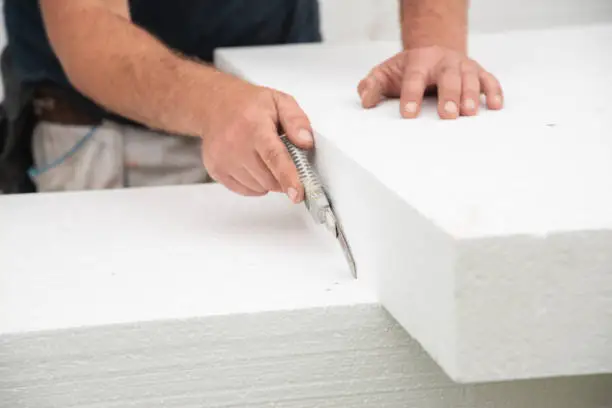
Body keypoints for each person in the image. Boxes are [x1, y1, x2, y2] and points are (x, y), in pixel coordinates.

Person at [2, 0, 503, 201]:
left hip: (283, 112)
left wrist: (433, 44)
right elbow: (87, 31)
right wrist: (213, 102)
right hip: (114, 141)